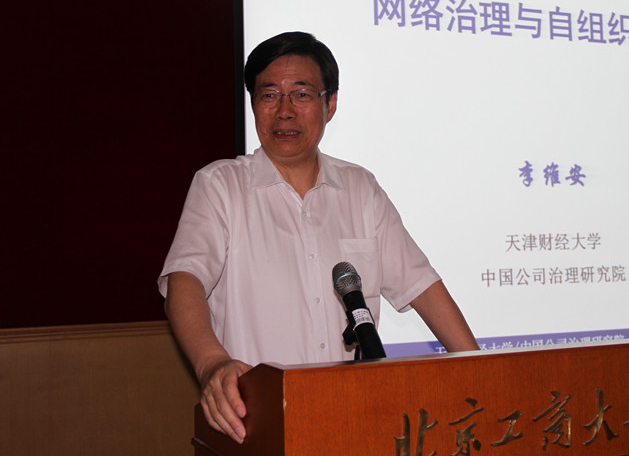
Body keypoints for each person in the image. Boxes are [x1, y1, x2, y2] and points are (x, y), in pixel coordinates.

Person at [158, 31, 478, 444]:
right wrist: (211, 364)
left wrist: (481, 372)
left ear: (331, 104)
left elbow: (422, 286)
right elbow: (185, 280)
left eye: (302, 94)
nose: (284, 111)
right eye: (269, 95)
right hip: (258, 425)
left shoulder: (360, 188)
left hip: (355, 419)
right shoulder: (220, 186)